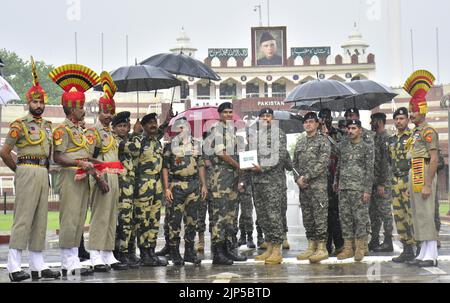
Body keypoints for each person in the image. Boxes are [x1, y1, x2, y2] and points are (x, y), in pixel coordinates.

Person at [1, 58, 60, 282]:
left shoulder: (47, 126)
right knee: (23, 218)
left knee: (40, 219)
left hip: (43, 172)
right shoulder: (19, 124)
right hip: (26, 168)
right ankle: (14, 265)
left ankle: (38, 264)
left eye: (41, 101)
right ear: (28, 103)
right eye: (35, 101)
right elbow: (5, 152)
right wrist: (19, 170)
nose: (38, 105)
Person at [49, 63, 98, 277]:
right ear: (71, 108)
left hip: (83, 177)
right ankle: (67, 260)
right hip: (69, 176)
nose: (83, 110)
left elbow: (87, 153)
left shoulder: (81, 130)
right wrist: (79, 164)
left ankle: (74, 257)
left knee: (79, 218)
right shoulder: (61, 130)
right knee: (69, 217)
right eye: (80, 106)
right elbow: (58, 156)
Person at [84, 72, 128, 272]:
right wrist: (99, 176)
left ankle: (108, 253)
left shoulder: (111, 132)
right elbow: (88, 158)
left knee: (111, 216)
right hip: (101, 176)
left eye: (111, 111)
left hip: (114, 175)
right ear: (99, 111)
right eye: (105, 111)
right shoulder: (93, 132)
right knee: (100, 216)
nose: (109, 115)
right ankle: (94, 254)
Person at [204, 102, 246, 265]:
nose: (229, 115)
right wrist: (239, 165)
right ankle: (218, 253)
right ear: (219, 114)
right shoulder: (217, 129)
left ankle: (228, 249)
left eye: (231, 112)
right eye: (225, 112)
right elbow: (221, 153)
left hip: (232, 178)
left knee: (230, 216)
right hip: (220, 179)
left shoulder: (231, 130)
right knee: (220, 215)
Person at [404, 70, 439, 267]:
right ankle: (423, 251)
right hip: (415, 170)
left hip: (423, 170)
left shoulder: (427, 131)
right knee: (418, 213)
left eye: (414, 111)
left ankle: (432, 253)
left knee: (426, 212)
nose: (411, 114)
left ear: (423, 111)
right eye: (410, 111)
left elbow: (433, 159)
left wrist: (427, 184)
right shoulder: (415, 132)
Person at [162, 118, 208, 265]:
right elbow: (165, 168)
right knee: (174, 221)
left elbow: (201, 165)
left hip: (193, 185)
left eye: (184, 127)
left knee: (192, 220)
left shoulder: (196, 144)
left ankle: (189, 252)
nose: (181, 130)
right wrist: (166, 188)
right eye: (179, 128)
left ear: (189, 128)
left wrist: (203, 185)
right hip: (176, 186)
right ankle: (175, 253)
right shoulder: (170, 146)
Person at [293, 112, 331, 263]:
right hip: (304, 188)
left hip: (318, 187)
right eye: (306, 122)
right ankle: (311, 245)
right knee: (308, 217)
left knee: (320, 217)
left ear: (316, 124)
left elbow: (322, 163)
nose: (308, 124)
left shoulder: (323, 141)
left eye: (311, 122)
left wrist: (306, 177)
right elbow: (294, 164)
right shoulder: (300, 142)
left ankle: (322, 248)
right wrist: (297, 179)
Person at [251, 108, 287, 265]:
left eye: (268, 116)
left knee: (273, 216)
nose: (265, 118)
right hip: (257, 182)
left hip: (273, 182)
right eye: (263, 116)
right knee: (263, 216)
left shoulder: (278, 134)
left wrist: (262, 167)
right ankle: (270, 247)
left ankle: (277, 250)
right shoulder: (256, 136)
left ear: (273, 118)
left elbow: (280, 156)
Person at [334, 119, 374, 262]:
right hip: (344, 188)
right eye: (349, 128)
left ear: (360, 130)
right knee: (345, 219)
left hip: (359, 189)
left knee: (360, 219)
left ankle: (360, 248)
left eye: (354, 128)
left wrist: (367, 190)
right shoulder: (344, 146)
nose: (350, 131)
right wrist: (336, 181)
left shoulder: (367, 147)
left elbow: (370, 171)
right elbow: (340, 165)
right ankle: (348, 248)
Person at [133, 113, 168, 267]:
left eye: (155, 122)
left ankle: (151, 252)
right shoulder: (139, 141)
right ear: (144, 126)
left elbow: (160, 132)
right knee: (142, 220)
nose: (153, 125)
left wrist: (166, 122)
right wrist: (136, 132)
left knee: (154, 220)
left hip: (156, 186)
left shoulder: (157, 143)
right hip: (143, 186)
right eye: (150, 123)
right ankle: (144, 253)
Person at [112, 111, 141, 268]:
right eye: (120, 126)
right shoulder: (115, 141)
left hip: (131, 187)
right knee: (123, 221)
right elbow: (134, 148)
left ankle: (130, 251)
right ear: (114, 128)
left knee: (131, 221)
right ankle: (120, 253)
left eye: (125, 126)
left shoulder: (129, 138)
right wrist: (136, 133)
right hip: (121, 188)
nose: (123, 129)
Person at [389, 107, 416, 262]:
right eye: (397, 119)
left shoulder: (413, 137)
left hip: (409, 180)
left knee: (411, 215)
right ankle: (406, 249)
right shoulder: (392, 139)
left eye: (402, 119)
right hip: (396, 181)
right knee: (399, 216)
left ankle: (418, 248)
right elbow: (389, 160)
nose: (399, 121)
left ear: (407, 120)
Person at [318, 108, 344, 256]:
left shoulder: (338, 134)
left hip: (335, 178)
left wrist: (327, 137)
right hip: (320, 180)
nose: (324, 120)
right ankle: (325, 246)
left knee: (335, 213)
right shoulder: (314, 135)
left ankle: (339, 244)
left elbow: (340, 152)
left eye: (327, 117)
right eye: (322, 118)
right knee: (323, 214)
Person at [368, 113, 394, 252]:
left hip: (383, 182)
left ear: (380, 121)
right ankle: (374, 240)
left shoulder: (387, 138)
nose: (371, 122)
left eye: (373, 120)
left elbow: (386, 163)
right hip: (372, 182)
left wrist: (382, 183)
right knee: (373, 213)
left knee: (385, 212)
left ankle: (388, 241)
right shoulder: (374, 137)